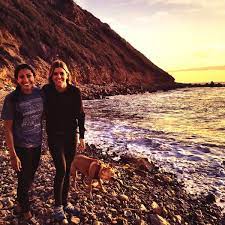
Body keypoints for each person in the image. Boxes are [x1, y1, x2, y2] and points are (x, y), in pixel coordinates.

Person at [42, 60, 85, 223]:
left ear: (67, 75)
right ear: (51, 76)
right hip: (54, 136)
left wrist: (82, 136)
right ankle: (58, 207)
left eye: (61, 73)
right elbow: (36, 106)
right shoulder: (46, 90)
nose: (58, 76)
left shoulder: (75, 92)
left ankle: (65, 203)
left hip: (70, 137)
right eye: (55, 73)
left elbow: (81, 115)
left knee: (68, 171)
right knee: (61, 168)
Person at [1, 64, 43, 224]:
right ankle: (25, 210)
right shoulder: (11, 99)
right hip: (20, 147)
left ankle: (19, 202)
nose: (26, 79)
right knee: (24, 179)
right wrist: (13, 155)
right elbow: (8, 129)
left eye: (29, 75)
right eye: (22, 77)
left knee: (29, 178)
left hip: (37, 145)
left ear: (34, 76)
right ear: (17, 80)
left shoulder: (41, 94)